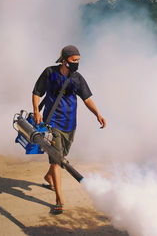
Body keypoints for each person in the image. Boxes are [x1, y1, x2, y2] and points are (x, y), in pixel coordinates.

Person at [32, 45, 106, 214]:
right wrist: (37, 111)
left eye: (78, 60)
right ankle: (59, 199)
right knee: (57, 159)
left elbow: (87, 99)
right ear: (64, 61)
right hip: (52, 123)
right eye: (74, 61)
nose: (77, 63)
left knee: (60, 157)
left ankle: (49, 176)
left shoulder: (77, 78)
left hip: (70, 125)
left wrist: (98, 114)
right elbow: (37, 92)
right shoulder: (50, 73)